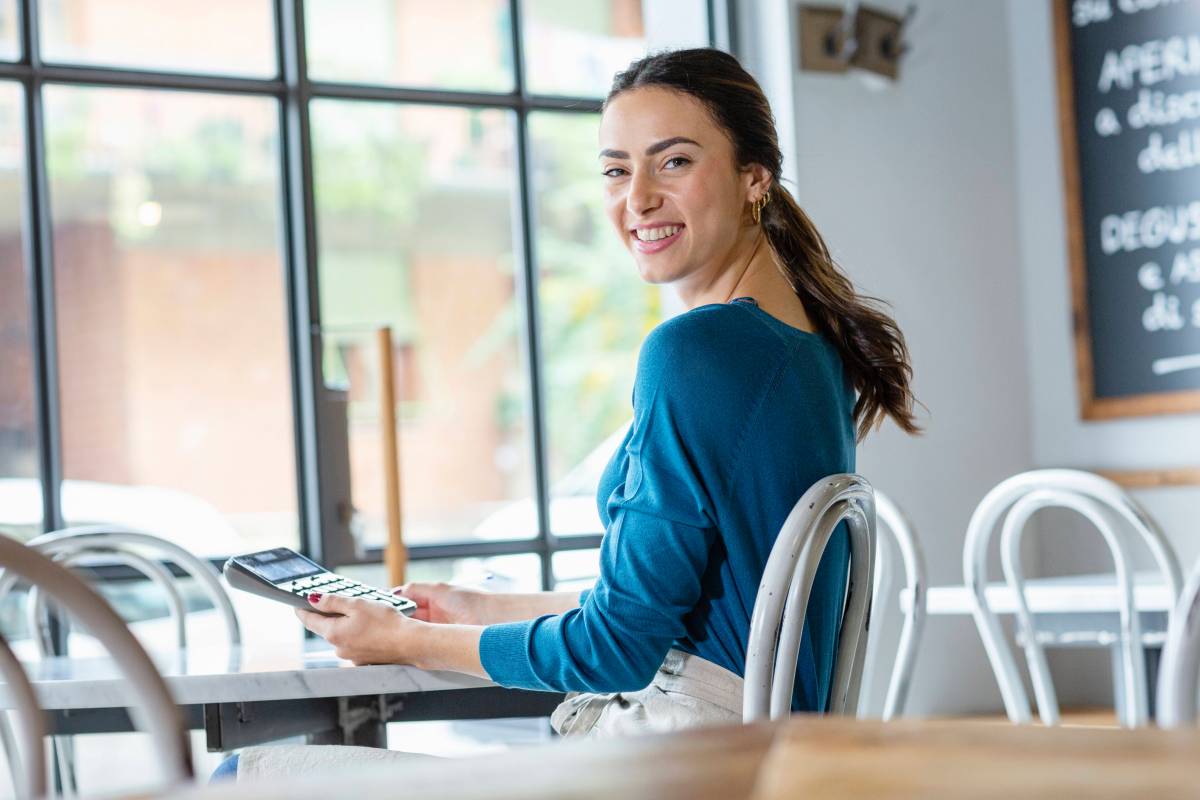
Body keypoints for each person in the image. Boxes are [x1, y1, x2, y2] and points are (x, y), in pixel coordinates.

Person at [214, 46, 917, 782]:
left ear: (754, 178)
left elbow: (619, 646)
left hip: (670, 764)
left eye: (672, 162)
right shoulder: (805, 350)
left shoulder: (698, 351)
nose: (636, 198)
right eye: (617, 170)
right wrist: (468, 605)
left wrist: (402, 642)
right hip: (740, 761)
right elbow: (666, 607)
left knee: (244, 777)